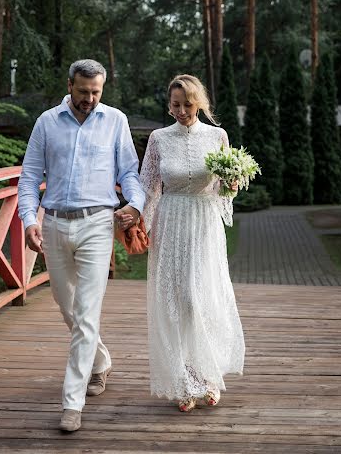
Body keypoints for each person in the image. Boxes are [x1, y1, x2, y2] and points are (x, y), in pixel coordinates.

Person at [18, 59, 144, 432]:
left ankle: (72, 403)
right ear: (70, 84)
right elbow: (28, 177)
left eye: (96, 92)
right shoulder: (46, 122)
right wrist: (29, 220)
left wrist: (134, 206)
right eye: (83, 91)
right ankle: (101, 360)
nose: (89, 98)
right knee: (66, 304)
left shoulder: (115, 121)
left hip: (97, 224)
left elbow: (129, 173)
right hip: (54, 222)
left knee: (87, 313)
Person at [140, 74, 245, 412]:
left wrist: (232, 183)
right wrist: (141, 225)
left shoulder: (218, 136)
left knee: (202, 297)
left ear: (200, 104)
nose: (182, 111)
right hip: (170, 223)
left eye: (188, 104)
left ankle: (209, 375)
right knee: (176, 301)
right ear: (168, 105)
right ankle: (183, 379)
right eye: (176, 105)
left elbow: (227, 191)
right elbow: (150, 188)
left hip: (204, 224)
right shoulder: (158, 138)